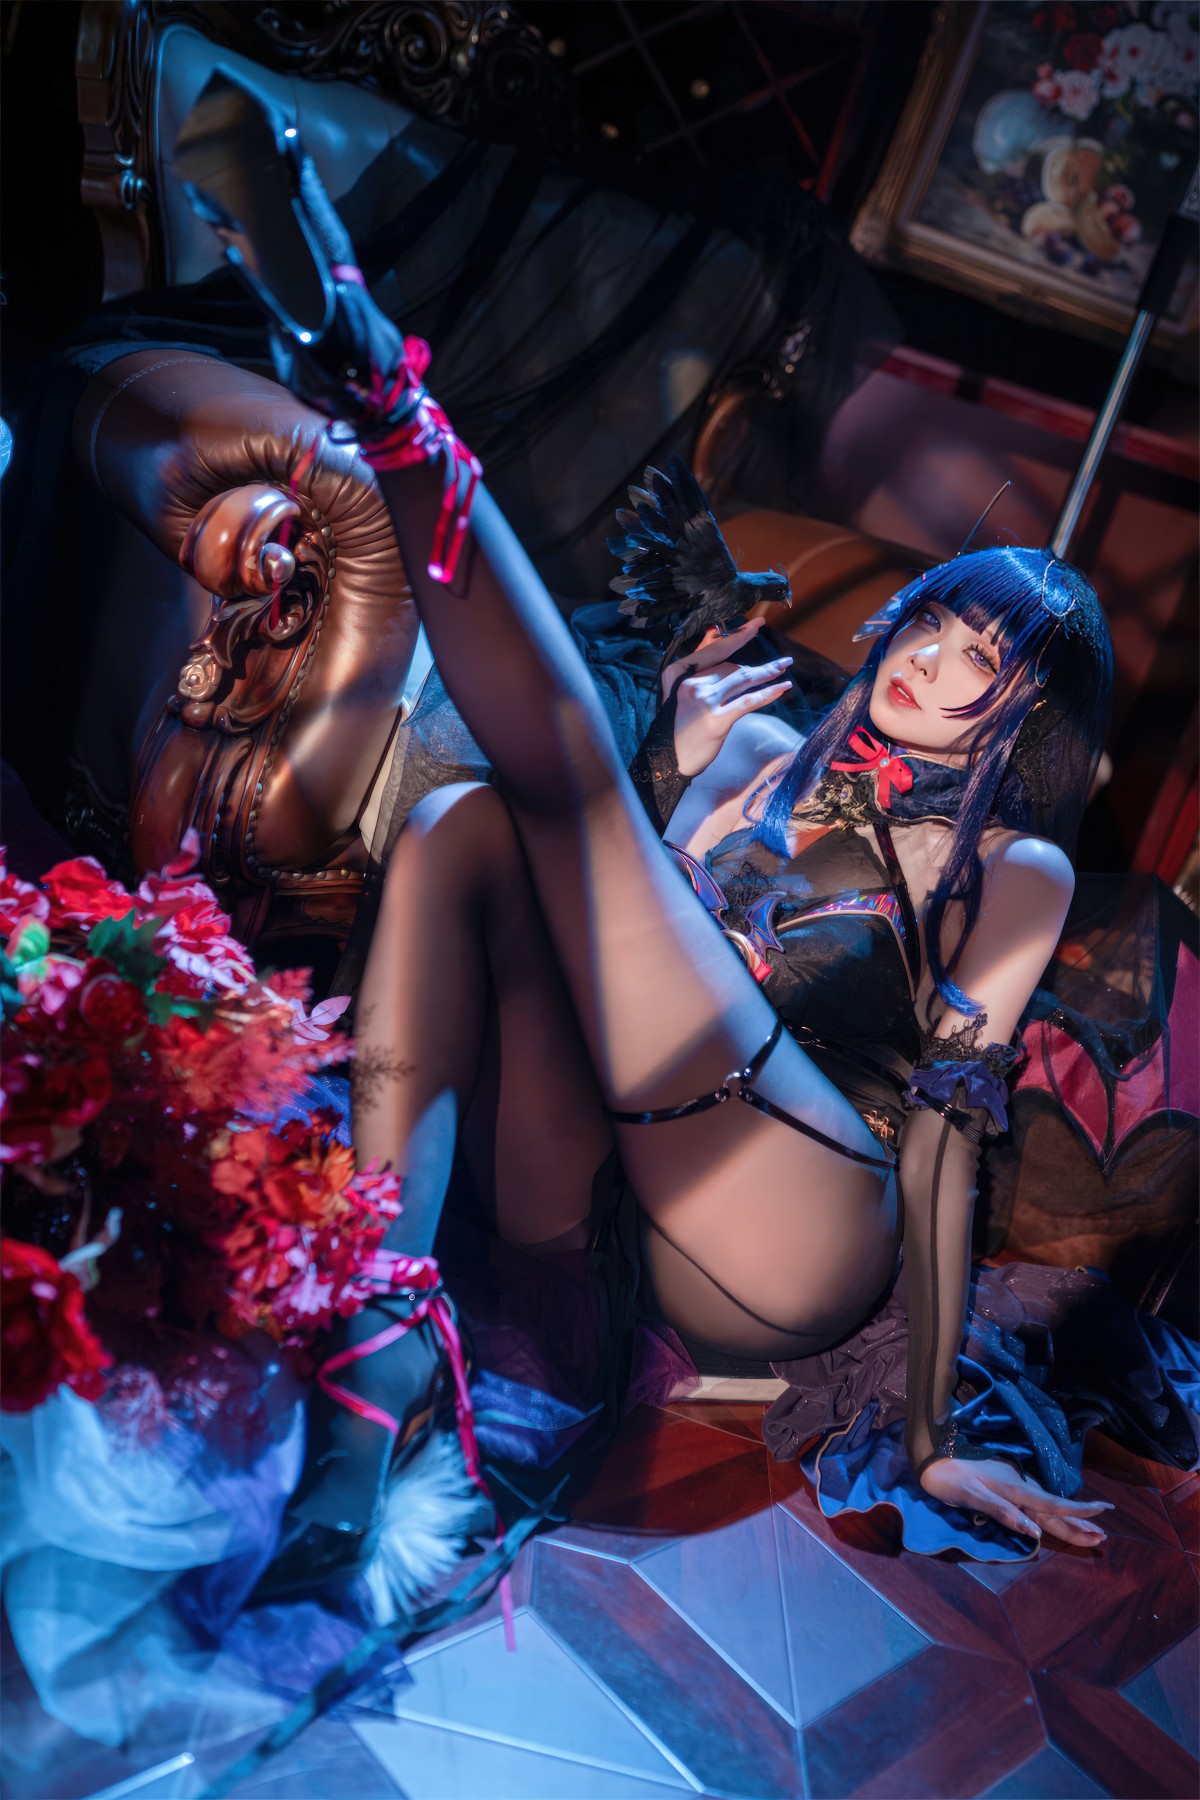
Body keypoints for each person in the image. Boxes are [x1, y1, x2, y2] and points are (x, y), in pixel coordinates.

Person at [219, 146, 1152, 1593]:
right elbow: (618, 951)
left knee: (557, 800)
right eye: (932, 622)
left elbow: (944, 1143)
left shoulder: (1011, 868)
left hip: (798, 1228)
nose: (929, 660)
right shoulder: (759, 742)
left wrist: (925, 1438)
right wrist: (674, 776)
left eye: (981, 659)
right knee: (465, 827)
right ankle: (374, 1339)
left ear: (1022, 717)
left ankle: (386, 396)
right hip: (616, 1187)